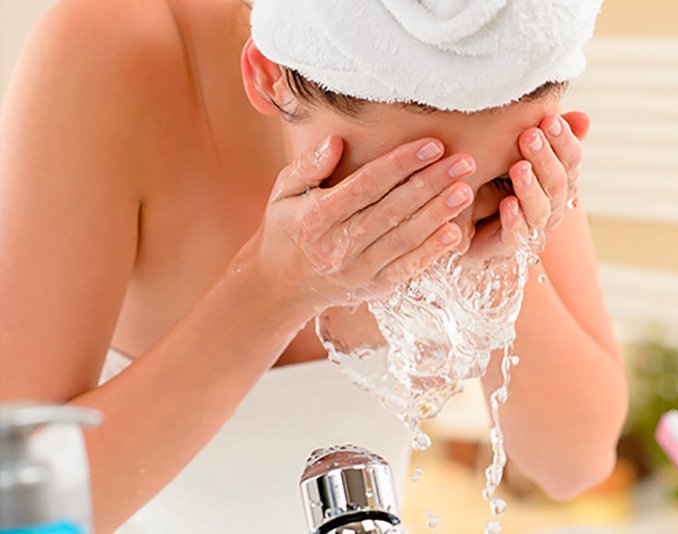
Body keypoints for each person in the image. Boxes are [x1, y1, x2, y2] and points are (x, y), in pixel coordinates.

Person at [0, 0, 628, 531]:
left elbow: (573, 461)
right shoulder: (117, 48)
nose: (443, 230)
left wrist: (498, 260)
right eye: (392, 195)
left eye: (486, 185)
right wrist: (274, 288)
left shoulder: (499, 53)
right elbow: (18, 506)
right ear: (267, 77)